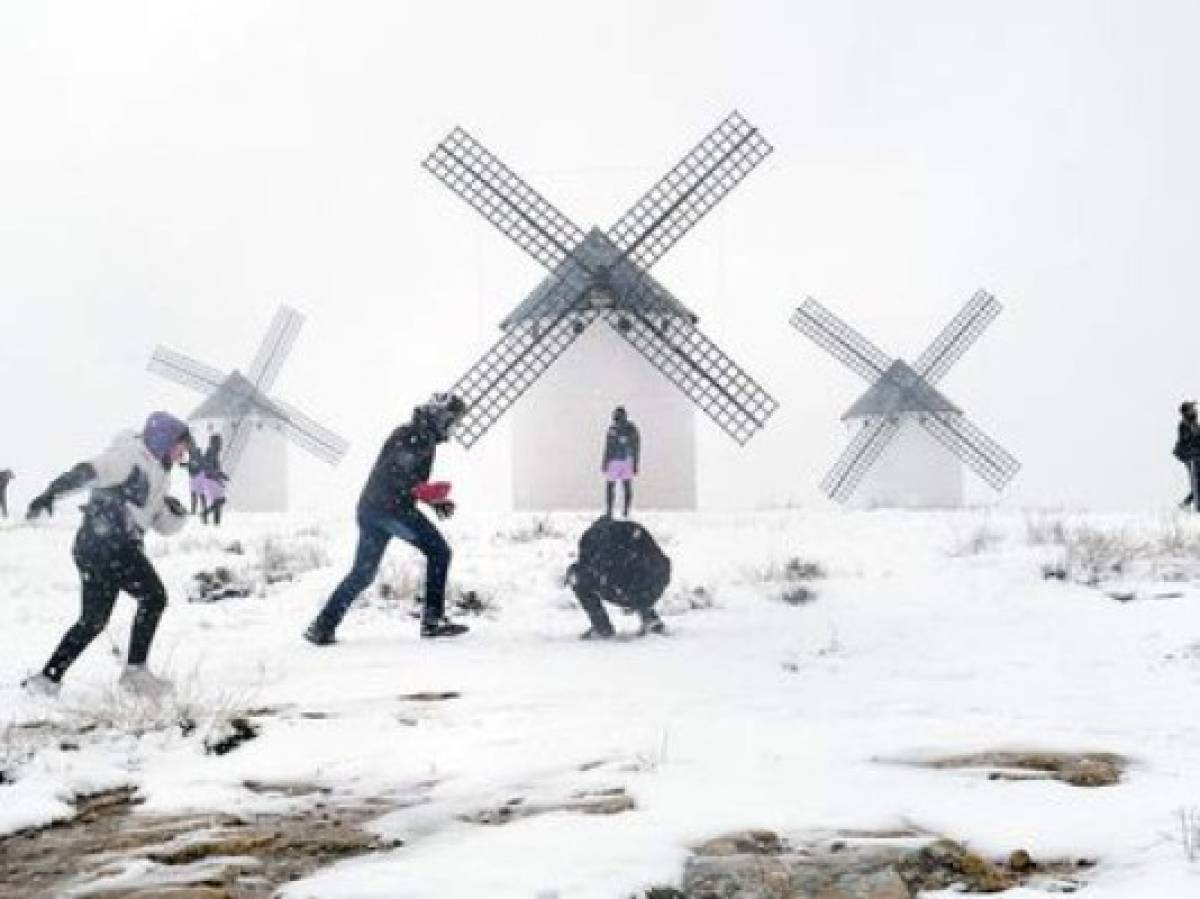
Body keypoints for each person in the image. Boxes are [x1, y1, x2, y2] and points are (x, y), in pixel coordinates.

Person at [22, 412, 192, 697]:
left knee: (93, 621)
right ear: (164, 440)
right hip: (109, 544)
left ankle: (46, 680)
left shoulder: (159, 473)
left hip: (96, 547)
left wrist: (177, 514)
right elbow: (88, 471)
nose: (183, 452)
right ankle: (135, 674)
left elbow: (160, 523)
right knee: (153, 597)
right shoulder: (130, 456)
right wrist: (51, 492)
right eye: (181, 445)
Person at [304, 393, 469, 645]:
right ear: (441, 417)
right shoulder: (415, 437)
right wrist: (425, 492)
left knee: (363, 573)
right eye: (452, 421)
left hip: (372, 509)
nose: (453, 428)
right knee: (439, 552)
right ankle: (432, 621)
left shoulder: (416, 435)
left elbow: (402, 478)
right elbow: (397, 474)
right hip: (391, 509)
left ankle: (322, 626)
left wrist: (433, 500)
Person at [565, 516, 670, 639]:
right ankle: (650, 619)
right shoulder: (630, 528)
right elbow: (659, 559)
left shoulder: (590, 538)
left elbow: (588, 567)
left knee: (577, 576)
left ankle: (602, 627)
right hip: (658, 579)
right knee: (636, 573)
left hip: (626, 585)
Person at [602, 406, 640, 518]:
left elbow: (636, 446)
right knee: (612, 487)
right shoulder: (612, 429)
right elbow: (608, 446)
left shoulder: (631, 429)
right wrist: (605, 461)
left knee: (624, 486)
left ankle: (625, 511)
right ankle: (611, 511)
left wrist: (635, 463)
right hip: (615, 461)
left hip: (625, 461)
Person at [196, 434, 230, 526]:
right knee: (221, 500)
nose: (221, 444)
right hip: (211, 480)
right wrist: (219, 476)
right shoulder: (211, 452)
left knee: (217, 502)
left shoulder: (213, 452)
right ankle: (204, 514)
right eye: (219, 442)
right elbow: (209, 467)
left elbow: (214, 467)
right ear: (214, 443)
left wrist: (222, 475)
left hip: (212, 479)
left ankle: (216, 523)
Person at [1176, 401, 1200, 511]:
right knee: (1196, 482)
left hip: (1196, 456)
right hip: (1192, 457)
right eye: (1192, 408)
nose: (1195, 410)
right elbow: (1187, 441)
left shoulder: (1194, 423)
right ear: (1186, 411)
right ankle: (1196, 508)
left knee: (1197, 483)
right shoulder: (1184, 425)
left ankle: (1185, 504)